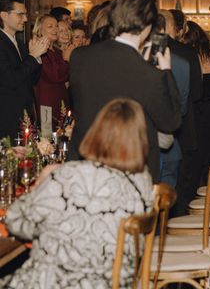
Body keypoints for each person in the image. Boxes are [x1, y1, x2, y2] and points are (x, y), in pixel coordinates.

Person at [1, 98, 154, 289]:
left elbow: (16, 222)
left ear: (96, 133)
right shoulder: (143, 184)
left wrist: (43, 185)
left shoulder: (69, 175)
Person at [68, 0, 182, 183]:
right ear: (147, 26)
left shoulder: (79, 57)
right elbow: (171, 122)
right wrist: (166, 72)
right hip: (132, 174)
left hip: (85, 167)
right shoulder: (148, 73)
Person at [161, 9, 203, 216]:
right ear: (174, 28)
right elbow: (197, 93)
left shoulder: (141, 52)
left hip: (153, 137)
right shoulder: (187, 54)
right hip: (184, 130)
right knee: (179, 191)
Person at [183, 20, 210, 179]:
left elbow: (194, 84)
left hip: (200, 107)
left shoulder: (191, 55)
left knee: (200, 149)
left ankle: (202, 186)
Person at [0, 0, 48, 139]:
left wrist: (37, 57)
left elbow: (31, 80)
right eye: (20, 14)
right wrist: (32, 57)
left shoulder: (20, 43)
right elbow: (10, 79)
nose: (26, 19)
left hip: (24, 112)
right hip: (7, 115)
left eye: (25, 14)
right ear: (3, 15)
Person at [32, 15, 73, 128]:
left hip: (61, 102)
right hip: (46, 103)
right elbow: (54, 76)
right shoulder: (39, 51)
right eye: (50, 26)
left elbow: (66, 76)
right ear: (40, 30)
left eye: (56, 26)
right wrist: (66, 60)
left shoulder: (56, 51)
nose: (55, 29)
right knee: (47, 139)